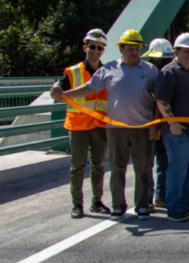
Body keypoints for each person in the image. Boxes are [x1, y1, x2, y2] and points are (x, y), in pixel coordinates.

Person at [51, 29, 158, 220]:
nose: (135, 52)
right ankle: (118, 206)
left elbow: (160, 98)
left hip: (142, 128)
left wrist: (156, 124)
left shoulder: (150, 71)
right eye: (130, 48)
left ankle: (142, 206)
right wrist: (65, 95)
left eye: (138, 48)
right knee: (117, 169)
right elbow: (89, 87)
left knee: (143, 169)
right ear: (121, 49)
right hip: (115, 129)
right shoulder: (108, 69)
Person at [54, 28, 110, 219]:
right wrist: (55, 88)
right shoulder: (72, 72)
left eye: (100, 47)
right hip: (78, 125)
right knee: (77, 166)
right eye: (92, 46)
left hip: (100, 126)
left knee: (98, 165)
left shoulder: (108, 72)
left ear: (104, 50)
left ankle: (96, 202)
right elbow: (58, 90)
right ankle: (77, 204)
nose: (95, 50)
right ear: (84, 47)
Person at [155, 33, 189, 222]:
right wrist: (172, 123)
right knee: (177, 170)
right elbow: (161, 99)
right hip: (179, 132)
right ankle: (174, 207)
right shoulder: (169, 72)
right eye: (185, 51)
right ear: (176, 52)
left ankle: (185, 203)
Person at [144, 38, 175, 213]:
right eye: (164, 59)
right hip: (150, 124)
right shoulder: (149, 73)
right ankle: (148, 198)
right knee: (147, 164)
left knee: (163, 163)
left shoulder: (164, 73)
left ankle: (160, 197)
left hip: (162, 125)